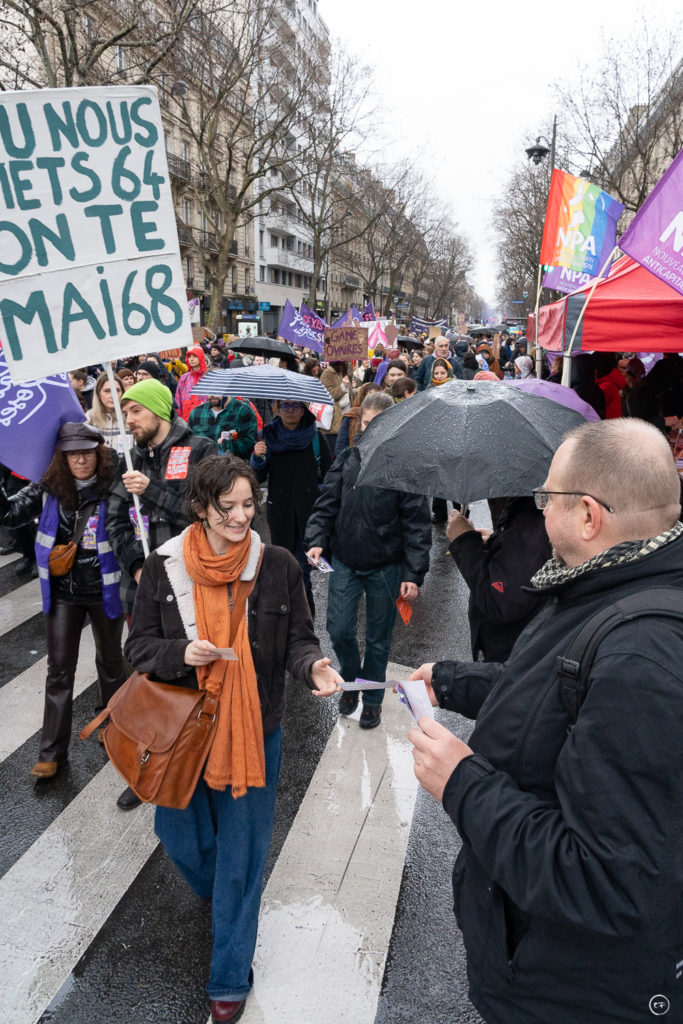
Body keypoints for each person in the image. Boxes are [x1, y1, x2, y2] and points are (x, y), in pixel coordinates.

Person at [407, 418, 683, 1024]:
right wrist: (453, 679)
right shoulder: (610, 584)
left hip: (575, 993)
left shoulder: (642, 659)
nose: (540, 510)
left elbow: (604, 882)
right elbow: (558, 689)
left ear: (589, 516)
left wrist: (463, 781)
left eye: (546, 498)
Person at [125, 456, 342, 1023]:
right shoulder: (164, 566)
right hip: (186, 729)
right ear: (200, 507)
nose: (242, 517)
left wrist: (314, 666)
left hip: (254, 727)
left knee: (241, 855)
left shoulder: (278, 565)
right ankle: (219, 888)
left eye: (250, 505)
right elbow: (138, 648)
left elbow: (298, 637)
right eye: (228, 508)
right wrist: (180, 653)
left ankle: (228, 978)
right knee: (179, 834)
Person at [106, 378, 216, 809]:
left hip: (190, 583)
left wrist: (148, 491)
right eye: (125, 411)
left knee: (195, 670)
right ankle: (148, 764)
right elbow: (115, 519)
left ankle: (199, 759)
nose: (127, 419)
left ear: (159, 410)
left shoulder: (201, 449)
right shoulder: (128, 457)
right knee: (150, 672)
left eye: (135, 411)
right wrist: (135, 566)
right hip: (145, 588)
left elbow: (202, 510)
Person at [0, 423, 126, 779]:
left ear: (98, 453)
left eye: (86, 451)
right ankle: (52, 752)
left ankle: (111, 724)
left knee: (112, 664)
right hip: (62, 593)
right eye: (72, 453)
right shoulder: (47, 487)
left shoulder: (115, 485)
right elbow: (8, 514)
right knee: (59, 670)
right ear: (62, 457)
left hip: (105, 589)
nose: (80, 459)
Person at [305, 393, 431, 729]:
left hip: (385, 566)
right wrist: (317, 539)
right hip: (345, 560)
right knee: (339, 628)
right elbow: (327, 501)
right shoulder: (348, 455)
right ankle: (351, 678)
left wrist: (413, 573)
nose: (369, 430)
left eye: (377, 424)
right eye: (364, 424)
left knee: (378, 638)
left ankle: (371, 696)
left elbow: (416, 522)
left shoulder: (405, 464)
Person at [445, 498, 551, 662]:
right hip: (510, 652)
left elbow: (499, 601)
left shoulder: (531, 521)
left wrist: (464, 540)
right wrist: (497, 540)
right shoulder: (525, 509)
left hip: (507, 659)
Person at [250, 401, 331, 613]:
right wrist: (257, 458)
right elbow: (257, 478)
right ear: (277, 409)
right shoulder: (268, 437)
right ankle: (294, 619)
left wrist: (318, 492)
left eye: (296, 406)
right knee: (284, 568)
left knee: (301, 570)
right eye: (285, 406)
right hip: (280, 515)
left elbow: (330, 473)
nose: (291, 411)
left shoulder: (315, 437)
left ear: (303, 410)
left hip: (309, 516)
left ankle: (304, 620)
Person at [189, 395, 258, 461]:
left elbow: (249, 445)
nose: (212, 395)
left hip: (232, 469)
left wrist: (225, 444)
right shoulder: (196, 413)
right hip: (201, 469)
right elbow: (188, 444)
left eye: (216, 390)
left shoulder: (244, 411)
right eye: (209, 390)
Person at [86, 371, 133, 455]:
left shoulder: (130, 416)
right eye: (107, 391)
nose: (113, 395)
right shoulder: (90, 418)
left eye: (117, 390)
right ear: (99, 394)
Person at [335, 382, 380, 454]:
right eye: (370, 396)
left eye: (376, 396)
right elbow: (341, 443)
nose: (373, 400)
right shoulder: (352, 415)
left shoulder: (382, 415)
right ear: (363, 396)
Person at [319, 360, 352, 456]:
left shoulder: (345, 372)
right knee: (334, 453)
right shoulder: (327, 373)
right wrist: (343, 386)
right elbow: (327, 395)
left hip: (346, 417)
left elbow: (347, 395)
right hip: (333, 422)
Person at [175, 346, 209, 421]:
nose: (191, 359)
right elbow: (178, 399)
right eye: (189, 356)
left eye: (194, 356)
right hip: (186, 419)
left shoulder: (208, 376)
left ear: (200, 358)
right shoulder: (184, 378)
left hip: (204, 418)